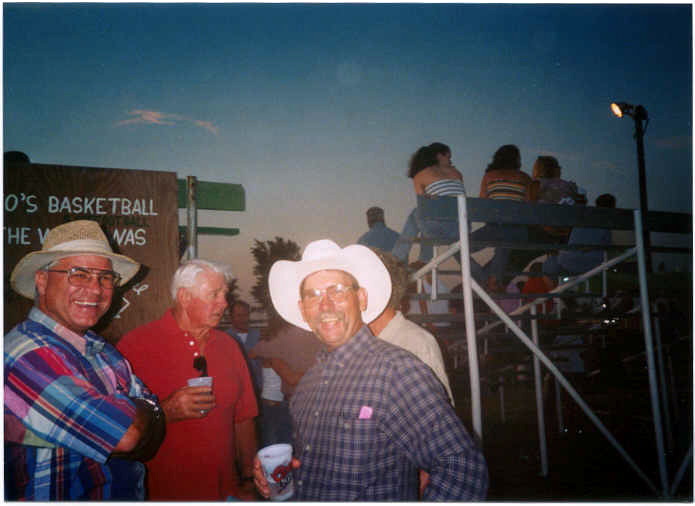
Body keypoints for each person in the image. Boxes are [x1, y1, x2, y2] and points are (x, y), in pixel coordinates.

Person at [253, 239, 488, 500]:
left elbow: (463, 468)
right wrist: (283, 475)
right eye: (313, 295)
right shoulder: (308, 385)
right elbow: (318, 469)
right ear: (303, 310)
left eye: (338, 290)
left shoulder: (397, 372)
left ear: (361, 298)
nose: (325, 305)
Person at [4, 220, 165, 500]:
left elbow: (148, 430)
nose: (95, 289)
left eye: (105, 277)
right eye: (79, 274)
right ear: (41, 281)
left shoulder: (102, 349)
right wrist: (145, 410)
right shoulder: (25, 355)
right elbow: (128, 436)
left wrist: (140, 415)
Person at [117, 259, 258, 501]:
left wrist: (249, 480)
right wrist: (166, 411)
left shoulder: (230, 346)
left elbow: (244, 417)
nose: (224, 303)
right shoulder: (134, 346)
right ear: (184, 297)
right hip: (161, 494)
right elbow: (116, 431)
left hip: (226, 493)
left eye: (224, 294)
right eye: (214, 294)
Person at [369, 250, 454, 405]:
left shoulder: (416, 344)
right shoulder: (363, 343)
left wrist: (430, 324)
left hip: (432, 326)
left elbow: (437, 418)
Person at [248, 314, 322, 447]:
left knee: (279, 447)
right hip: (284, 404)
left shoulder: (274, 343)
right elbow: (291, 378)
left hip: (284, 403)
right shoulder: (282, 343)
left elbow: (252, 353)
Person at [472, 144, 533, 291]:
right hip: (518, 232)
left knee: (457, 249)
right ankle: (490, 280)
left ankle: (483, 278)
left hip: (494, 228)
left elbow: (482, 205)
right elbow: (530, 206)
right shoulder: (524, 178)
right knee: (503, 243)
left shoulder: (489, 177)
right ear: (517, 159)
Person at [392, 142, 467, 263]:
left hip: (440, 230)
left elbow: (424, 208)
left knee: (417, 214)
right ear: (438, 156)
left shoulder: (420, 175)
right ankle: (423, 260)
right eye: (448, 157)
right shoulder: (457, 174)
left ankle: (397, 257)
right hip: (462, 229)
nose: (450, 161)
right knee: (425, 218)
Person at [543, 193, 616, 276]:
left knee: (548, 263)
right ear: (612, 207)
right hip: (590, 263)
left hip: (568, 260)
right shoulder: (606, 223)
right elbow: (607, 247)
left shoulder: (583, 218)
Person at [528, 155, 583, 243]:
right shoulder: (569, 186)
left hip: (544, 232)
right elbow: (579, 204)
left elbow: (530, 207)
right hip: (565, 234)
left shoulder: (536, 185)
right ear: (555, 169)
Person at [226, 299, 263, 395]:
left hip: (259, 390)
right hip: (234, 392)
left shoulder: (260, 336)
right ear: (230, 317)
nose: (243, 319)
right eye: (239, 316)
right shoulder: (224, 339)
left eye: (246, 315)